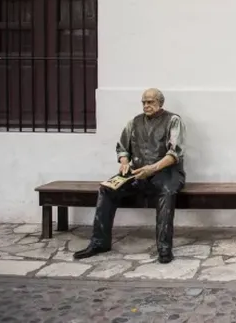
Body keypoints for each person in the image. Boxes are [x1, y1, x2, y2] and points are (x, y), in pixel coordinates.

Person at [73, 88, 186, 264]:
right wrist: (124, 161)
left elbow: (175, 153)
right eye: (144, 102)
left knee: (166, 193)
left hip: (167, 172)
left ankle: (164, 248)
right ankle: (99, 242)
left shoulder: (173, 120)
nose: (146, 105)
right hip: (138, 172)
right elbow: (122, 147)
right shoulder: (134, 122)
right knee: (107, 189)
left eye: (150, 102)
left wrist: (153, 168)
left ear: (160, 103)